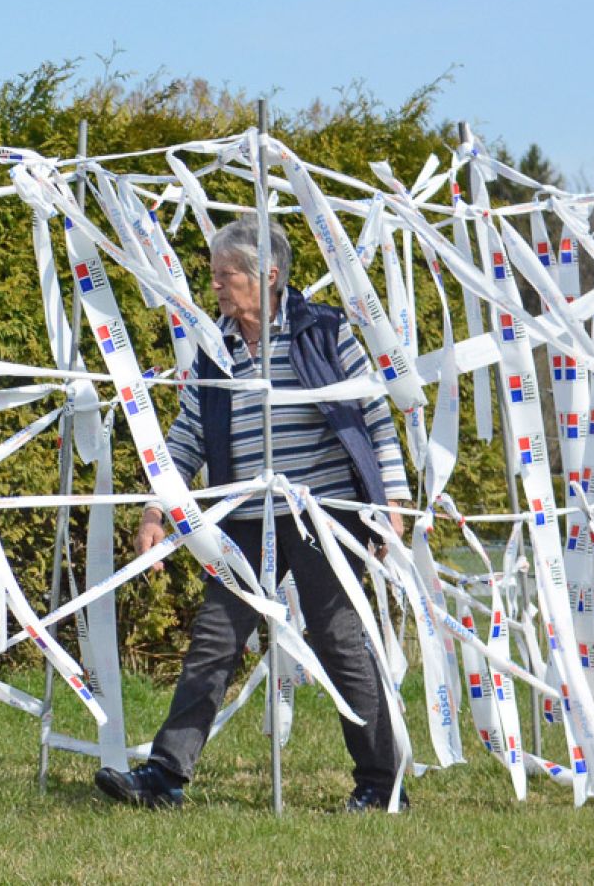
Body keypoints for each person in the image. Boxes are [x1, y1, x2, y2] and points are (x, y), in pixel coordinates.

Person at [93, 217, 413, 812]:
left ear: (266, 275)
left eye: (226, 274)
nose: (214, 285)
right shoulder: (213, 348)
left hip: (321, 515)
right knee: (215, 638)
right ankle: (165, 777)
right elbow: (187, 435)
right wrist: (156, 507)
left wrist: (390, 501)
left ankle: (380, 784)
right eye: (213, 274)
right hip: (244, 517)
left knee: (339, 640)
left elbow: (373, 414)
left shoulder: (324, 331)